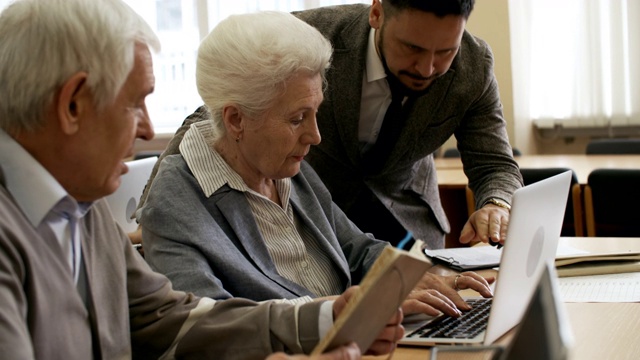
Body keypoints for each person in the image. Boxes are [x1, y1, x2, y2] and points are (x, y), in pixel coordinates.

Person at [0, 0, 403, 358]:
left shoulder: (82, 208)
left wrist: (328, 319)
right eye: (134, 104)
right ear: (72, 104)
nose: (147, 129)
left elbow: (172, 320)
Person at [138, 10, 494, 321]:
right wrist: (345, 311)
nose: (316, 136)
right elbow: (209, 327)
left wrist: (414, 278)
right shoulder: (175, 205)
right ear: (235, 120)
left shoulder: (283, 166)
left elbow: (356, 247)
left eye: (315, 112)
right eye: (297, 118)